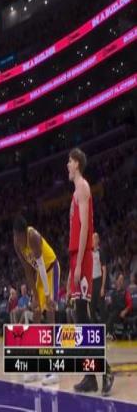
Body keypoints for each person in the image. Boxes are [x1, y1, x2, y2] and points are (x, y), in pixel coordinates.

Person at [67, 148, 114, 395]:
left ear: (77, 163)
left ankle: (105, 371)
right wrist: (71, 269)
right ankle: (90, 376)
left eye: (70, 161)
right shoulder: (76, 191)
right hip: (77, 256)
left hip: (83, 257)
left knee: (84, 319)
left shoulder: (83, 187)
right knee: (79, 318)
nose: (67, 165)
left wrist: (79, 264)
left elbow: (85, 227)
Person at [13, 215, 60, 386]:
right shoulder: (17, 243)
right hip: (40, 275)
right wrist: (34, 296)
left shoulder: (33, 236)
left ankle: (54, 369)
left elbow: (41, 265)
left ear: (24, 233)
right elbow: (28, 270)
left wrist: (47, 296)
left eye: (20, 237)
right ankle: (35, 366)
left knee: (49, 314)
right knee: (36, 315)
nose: (19, 240)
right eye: (16, 237)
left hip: (51, 269)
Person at [106, 273, 132, 340]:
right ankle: (108, 333)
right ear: (116, 280)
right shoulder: (113, 292)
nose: (120, 281)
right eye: (119, 279)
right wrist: (109, 303)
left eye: (122, 280)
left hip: (121, 312)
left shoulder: (126, 292)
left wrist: (125, 311)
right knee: (105, 312)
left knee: (114, 313)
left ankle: (109, 333)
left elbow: (130, 305)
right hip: (113, 312)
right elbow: (110, 303)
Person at [91, 232, 107, 322]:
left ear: (98, 240)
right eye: (92, 238)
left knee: (101, 307)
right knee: (91, 307)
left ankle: (105, 328)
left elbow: (104, 270)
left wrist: (102, 287)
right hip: (91, 282)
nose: (93, 240)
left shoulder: (101, 252)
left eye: (95, 238)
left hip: (99, 281)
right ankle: (95, 326)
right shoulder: (89, 252)